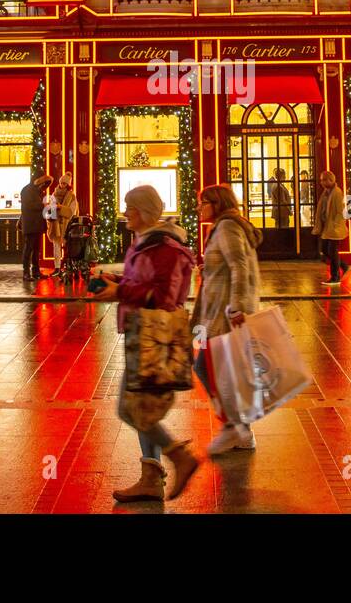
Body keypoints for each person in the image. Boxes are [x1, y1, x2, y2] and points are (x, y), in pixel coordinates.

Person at [91, 185, 201, 503]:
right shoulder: (144, 243)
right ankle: (150, 478)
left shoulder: (165, 247)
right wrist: (117, 281)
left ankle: (179, 455)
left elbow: (165, 296)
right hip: (141, 334)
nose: (125, 212)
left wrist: (121, 292)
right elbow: (143, 283)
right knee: (141, 409)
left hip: (155, 339)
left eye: (130, 207)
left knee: (130, 410)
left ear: (144, 211)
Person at [193, 184, 261, 454]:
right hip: (217, 311)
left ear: (217, 204)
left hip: (224, 314)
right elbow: (226, 264)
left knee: (206, 367)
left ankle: (237, 428)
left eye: (204, 203)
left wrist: (237, 307)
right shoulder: (222, 226)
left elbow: (239, 266)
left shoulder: (227, 227)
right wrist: (207, 268)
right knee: (219, 371)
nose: (199, 208)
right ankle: (240, 430)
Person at [312, 170, 348, 283]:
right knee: (325, 250)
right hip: (326, 227)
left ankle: (335, 277)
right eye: (321, 179)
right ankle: (343, 265)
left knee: (332, 251)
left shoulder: (337, 193)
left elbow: (340, 211)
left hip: (333, 229)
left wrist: (335, 224)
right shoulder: (326, 192)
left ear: (331, 180)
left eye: (324, 180)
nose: (321, 182)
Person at [19, 174, 52, 282]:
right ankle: (26, 273)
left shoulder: (38, 191)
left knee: (36, 249)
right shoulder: (27, 190)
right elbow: (29, 205)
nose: (43, 185)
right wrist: (43, 205)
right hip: (30, 224)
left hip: (37, 224)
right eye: (42, 182)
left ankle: (36, 271)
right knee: (28, 249)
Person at [45, 173, 78, 269]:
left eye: (65, 183)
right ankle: (57, 267)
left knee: (68, 247)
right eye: (61, 183)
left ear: (68, 185)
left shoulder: (71, 196)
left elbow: (71, 211)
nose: (63, 185)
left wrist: (60, 208)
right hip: (55, 224)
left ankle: (68, 266)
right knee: (56, 247)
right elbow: (49, 209)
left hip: (67, 225)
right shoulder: (54, 194)